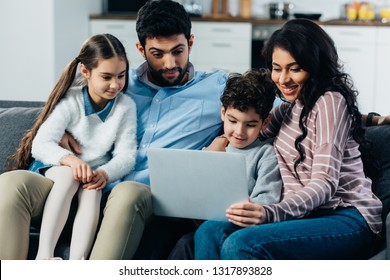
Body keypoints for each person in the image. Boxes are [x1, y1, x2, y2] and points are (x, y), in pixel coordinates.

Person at [0, 0, 227, 260]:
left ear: (191, 43)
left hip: (134, 196)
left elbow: (273, 108)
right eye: (157, 54)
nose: (169, 63)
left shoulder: (217, 88)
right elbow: (65, 109)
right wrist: (63, 133)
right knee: (12, 183)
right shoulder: (116, 81)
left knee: (127, 192)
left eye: (178, 51)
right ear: (141, 49)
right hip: (72, 185)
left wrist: (222, 142)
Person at [194, 19, 383, 260]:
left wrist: (270, 213)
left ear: (316, 66)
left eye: (294, 69)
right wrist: (219, 143)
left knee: (241, 244)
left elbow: (325, 183)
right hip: (304, 217)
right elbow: (249, 130)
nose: (283, 79)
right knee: (209, 231)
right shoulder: (289, 109)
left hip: (345, 216)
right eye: (277, 68)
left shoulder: (329, 101)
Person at [8, 34, 137, 259]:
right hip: (57, 168)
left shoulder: (126, 107)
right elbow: (41, 144)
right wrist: (70, 160)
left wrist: (104, 173)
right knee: (70, 176)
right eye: (106, 77)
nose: (115, 84)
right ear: (86, 72)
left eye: (121, 75)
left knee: (93, 190)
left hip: (92, 173)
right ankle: (44, 257)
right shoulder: (71, 101)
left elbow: (126, 155)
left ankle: (77, 262)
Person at [169, 69, 282, 260]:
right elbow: (192, 186)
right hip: (202, 222)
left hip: (237, 227)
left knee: (201, 236)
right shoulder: (216, 146)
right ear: (223, 112)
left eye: (250, 124)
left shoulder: (266, 154)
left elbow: (266, 201)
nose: (239, 131)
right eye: (232, 121)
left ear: (265, 122)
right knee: (183, 243)